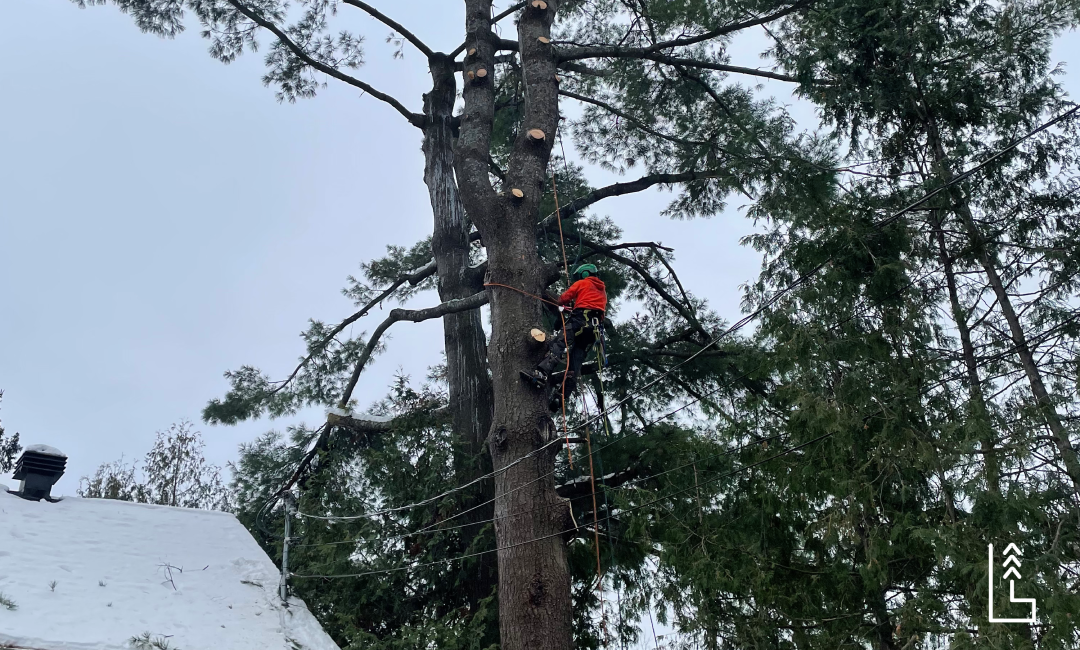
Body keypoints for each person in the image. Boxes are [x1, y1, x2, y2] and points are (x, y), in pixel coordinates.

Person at [521, 263, 607, 411]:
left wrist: (557, 300)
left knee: (558, 344)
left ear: (584, 274)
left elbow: (562, 300)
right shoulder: (602, 291)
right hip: (594, 330)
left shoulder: (582, 283)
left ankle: (541, 374)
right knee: (575, 362)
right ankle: (560, 397)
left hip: (579, 321)